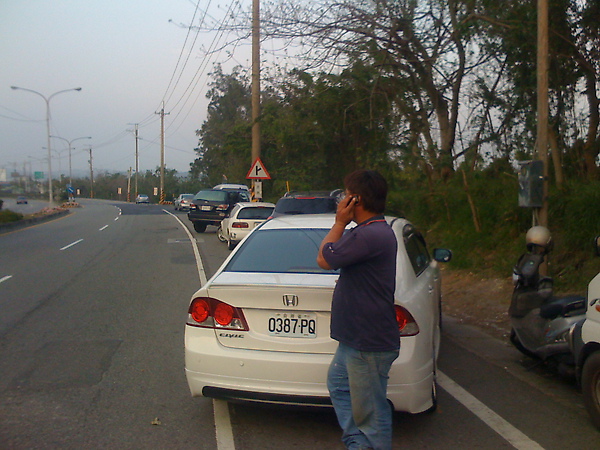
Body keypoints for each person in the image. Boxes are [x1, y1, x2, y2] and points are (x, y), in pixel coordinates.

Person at [317, 170, 399, 450]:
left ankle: (366, 443)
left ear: (356, 199)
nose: (341, 199)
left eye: (345, 194)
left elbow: (324, 259)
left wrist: (339, 221)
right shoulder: (370, 232)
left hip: (367, 342)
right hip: (355, 339)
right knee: (339, 386)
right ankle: (357, 444)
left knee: (372, 414)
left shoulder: (368, 235)